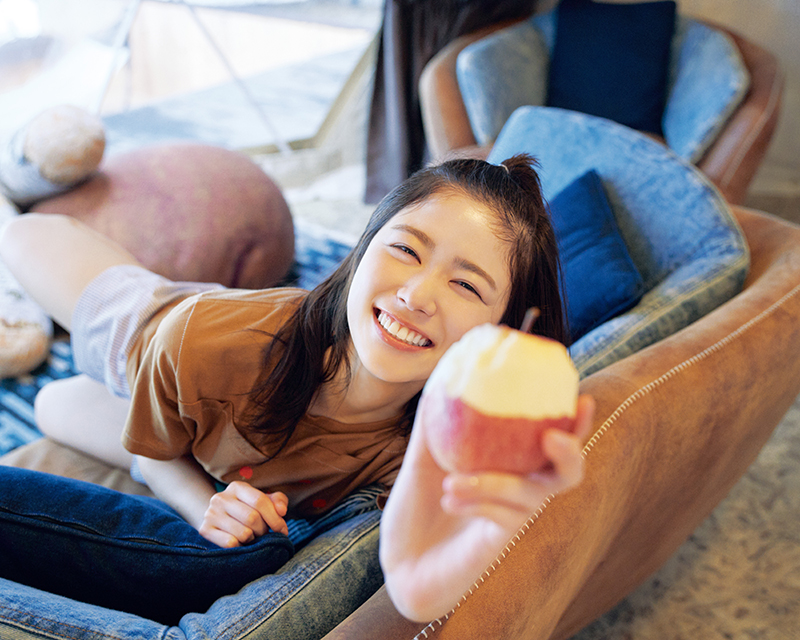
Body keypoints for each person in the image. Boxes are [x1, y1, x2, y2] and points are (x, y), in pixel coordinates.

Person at [0, 154, 593, 622]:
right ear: (360, 252)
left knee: (53, 404)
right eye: (406, 249)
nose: (418, 294)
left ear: (503, 330)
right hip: (149, 333)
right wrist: (205, 504)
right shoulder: (201, 342)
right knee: (24, 236)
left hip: (209, 383)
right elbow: (153, 455)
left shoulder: (432, 435)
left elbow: (420, 580)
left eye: (467, 286)